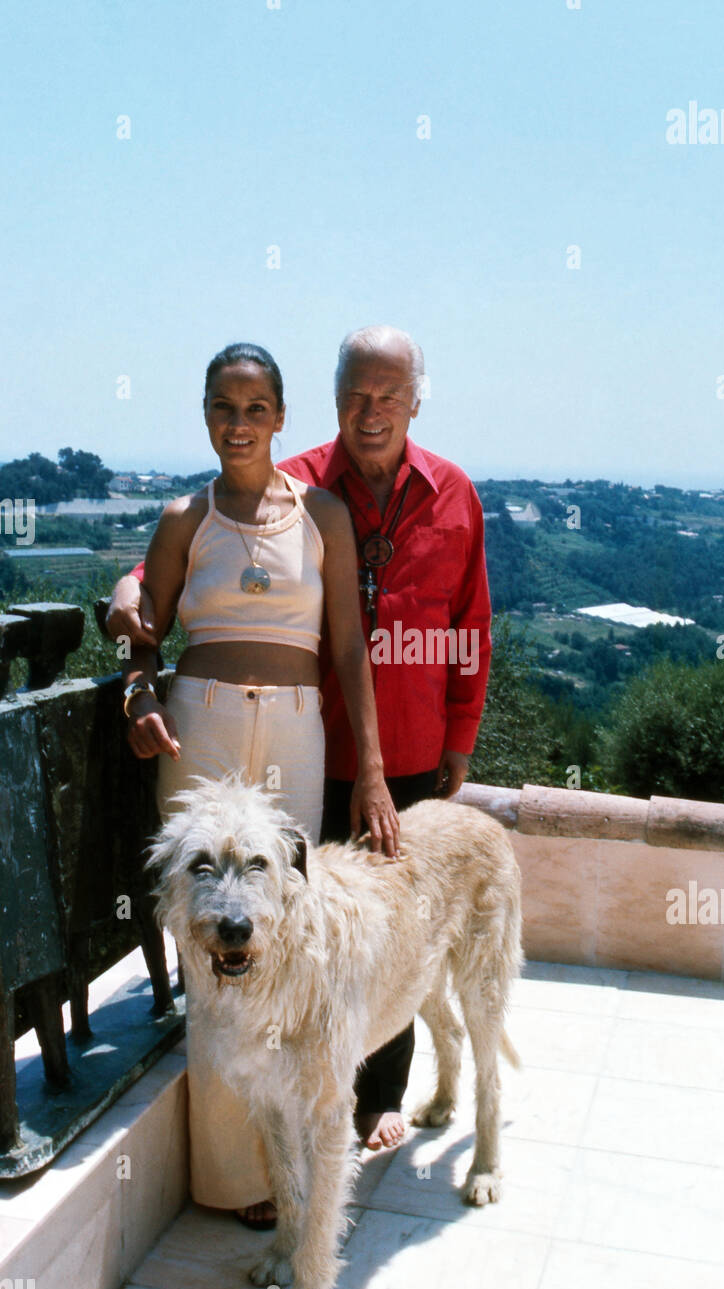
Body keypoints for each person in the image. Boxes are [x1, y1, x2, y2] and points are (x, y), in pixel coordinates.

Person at [108, 325, 492, 1224]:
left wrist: (418, 757)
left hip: (352, 739)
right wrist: (132, 643)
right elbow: (163, 589)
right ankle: (246, 1170)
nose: (371, 410)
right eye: (357, 394)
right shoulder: (248, 494)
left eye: (388, 395)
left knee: (346, 933)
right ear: (329, 402)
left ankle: (355, 1113)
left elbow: (415, 632)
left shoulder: (394, 500)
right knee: (255, 944)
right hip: (255, 731)